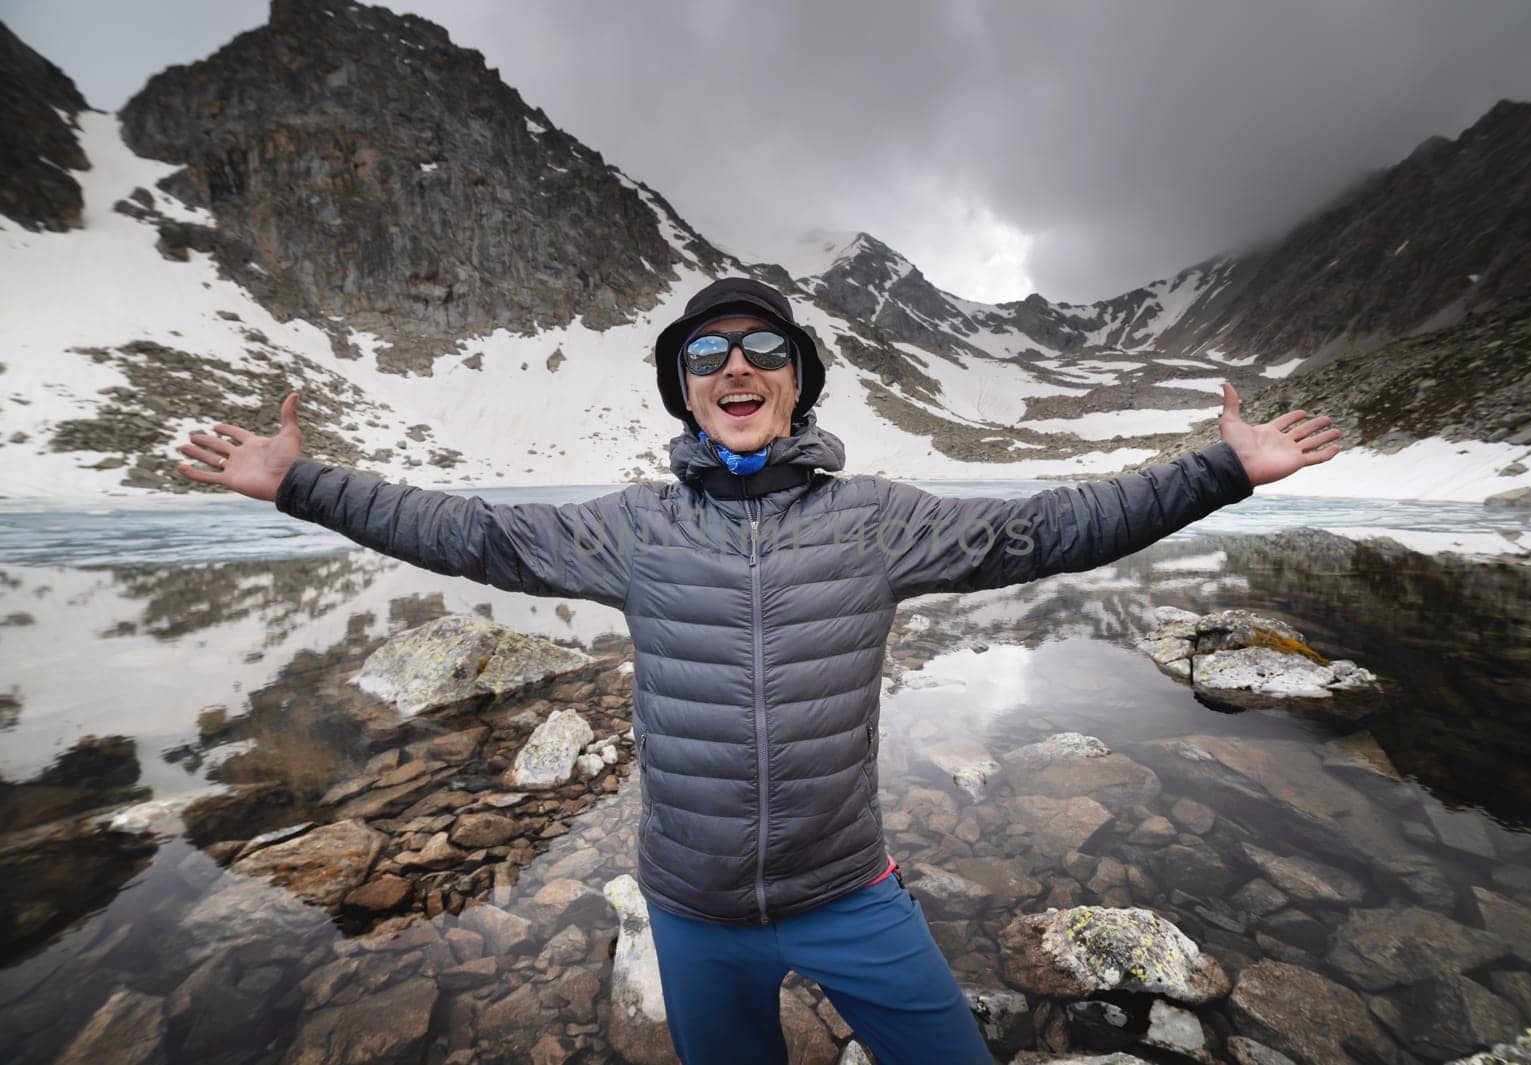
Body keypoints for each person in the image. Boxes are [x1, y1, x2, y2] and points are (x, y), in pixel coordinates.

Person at [177, 276, 1340, 1064]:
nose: (737, 368)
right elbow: (475, 535)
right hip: (692, 912)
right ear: (684, 389)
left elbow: (1045, 530)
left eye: (765, 351)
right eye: (707, 355)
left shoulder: (875, 522)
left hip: (852, 898)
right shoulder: (633, 530)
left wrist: (1216, 473)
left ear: (798, 384)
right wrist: (299, 482)